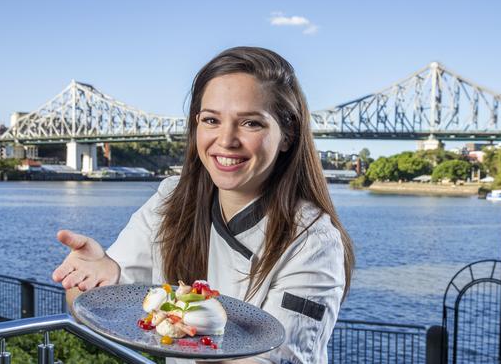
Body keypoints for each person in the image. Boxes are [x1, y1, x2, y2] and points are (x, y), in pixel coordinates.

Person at [52, 46, 354, 364]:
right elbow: (94, 305)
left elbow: (274, 359)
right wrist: (92, 279)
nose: (226, 140)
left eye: (251, 123)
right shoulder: (172, 201)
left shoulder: (311, 240)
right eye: (211, 120)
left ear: (288, 134)